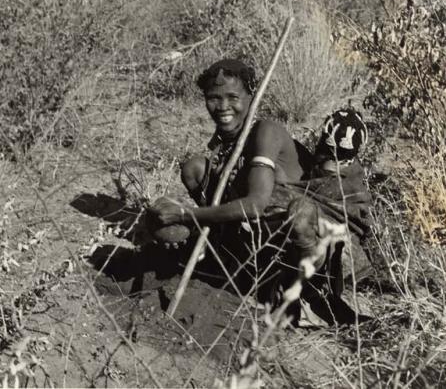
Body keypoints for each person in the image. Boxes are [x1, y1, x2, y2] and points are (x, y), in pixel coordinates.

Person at [148, 59, 372, 322]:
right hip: (253, 240)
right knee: (195, 169)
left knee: (300, 215)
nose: (222, 107)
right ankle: (226, 261)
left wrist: (186, 216)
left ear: (251, 96)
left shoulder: (267, 132)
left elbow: (255, 204)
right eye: (213, 98)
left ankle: (300, 291)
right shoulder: (227, 146)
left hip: (293, 239)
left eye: (233, 97)